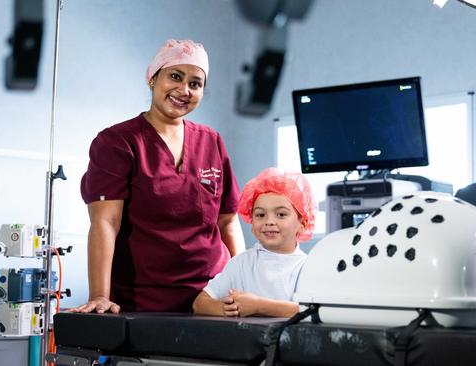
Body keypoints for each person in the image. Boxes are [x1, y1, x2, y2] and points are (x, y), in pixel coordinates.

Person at [70, 39, 245, 314]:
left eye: (195, 83)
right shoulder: (117, 142)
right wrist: (100, 295)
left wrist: (243, 284)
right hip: (144, 300)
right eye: (175, 76)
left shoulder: (212, 141)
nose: (184, 90)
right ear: (152, 78)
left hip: (212, 296)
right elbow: (106, 221)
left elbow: (228, 221)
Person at [192, 167, 316, 317]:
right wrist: (223, 309)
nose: (269, 221)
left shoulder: (308, 268)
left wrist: (258, 305)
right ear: (252, 223)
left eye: (281, 214)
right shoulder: (241, 263)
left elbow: (311, 311)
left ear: (302, 224)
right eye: (260, 215)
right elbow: (200, 303)